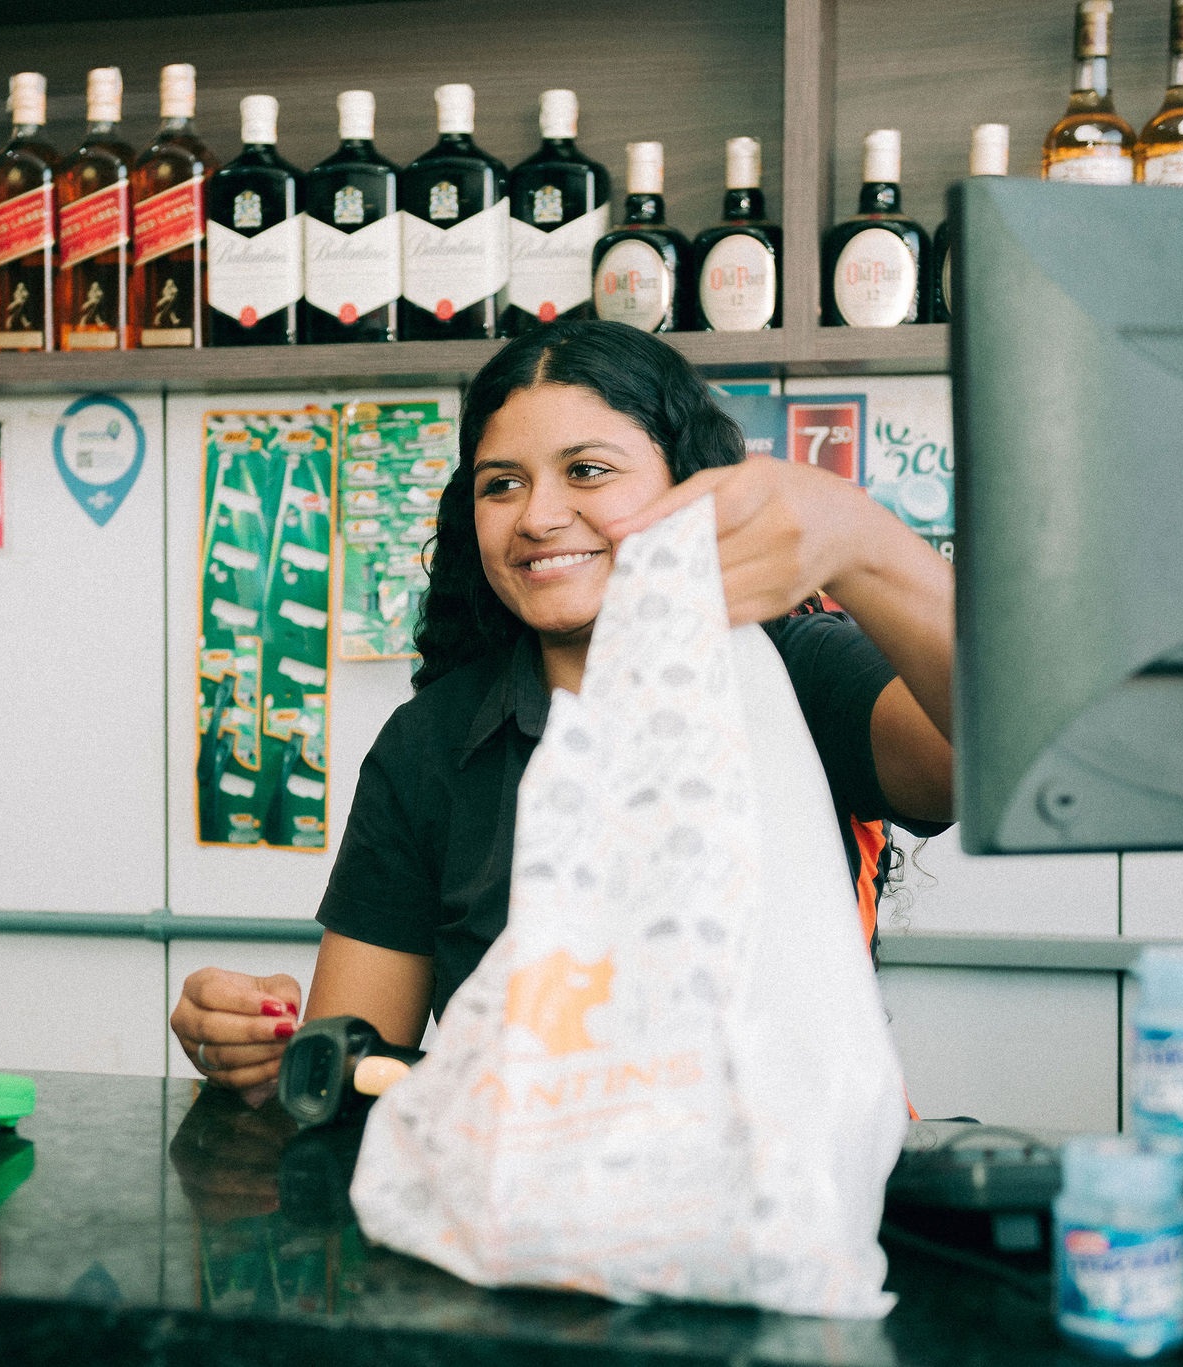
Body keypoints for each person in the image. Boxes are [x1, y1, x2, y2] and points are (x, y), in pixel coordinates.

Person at [170, 320, 955, 1105]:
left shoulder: (796, 670)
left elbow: (975, 757)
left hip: (789, 1201)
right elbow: (354, 1064)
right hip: (524, 1211)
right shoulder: (428, 745)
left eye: (586, 470)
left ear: (690, 484)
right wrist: (262, 1048)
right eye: (501, 484)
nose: (538, 516)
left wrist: (858, 539)